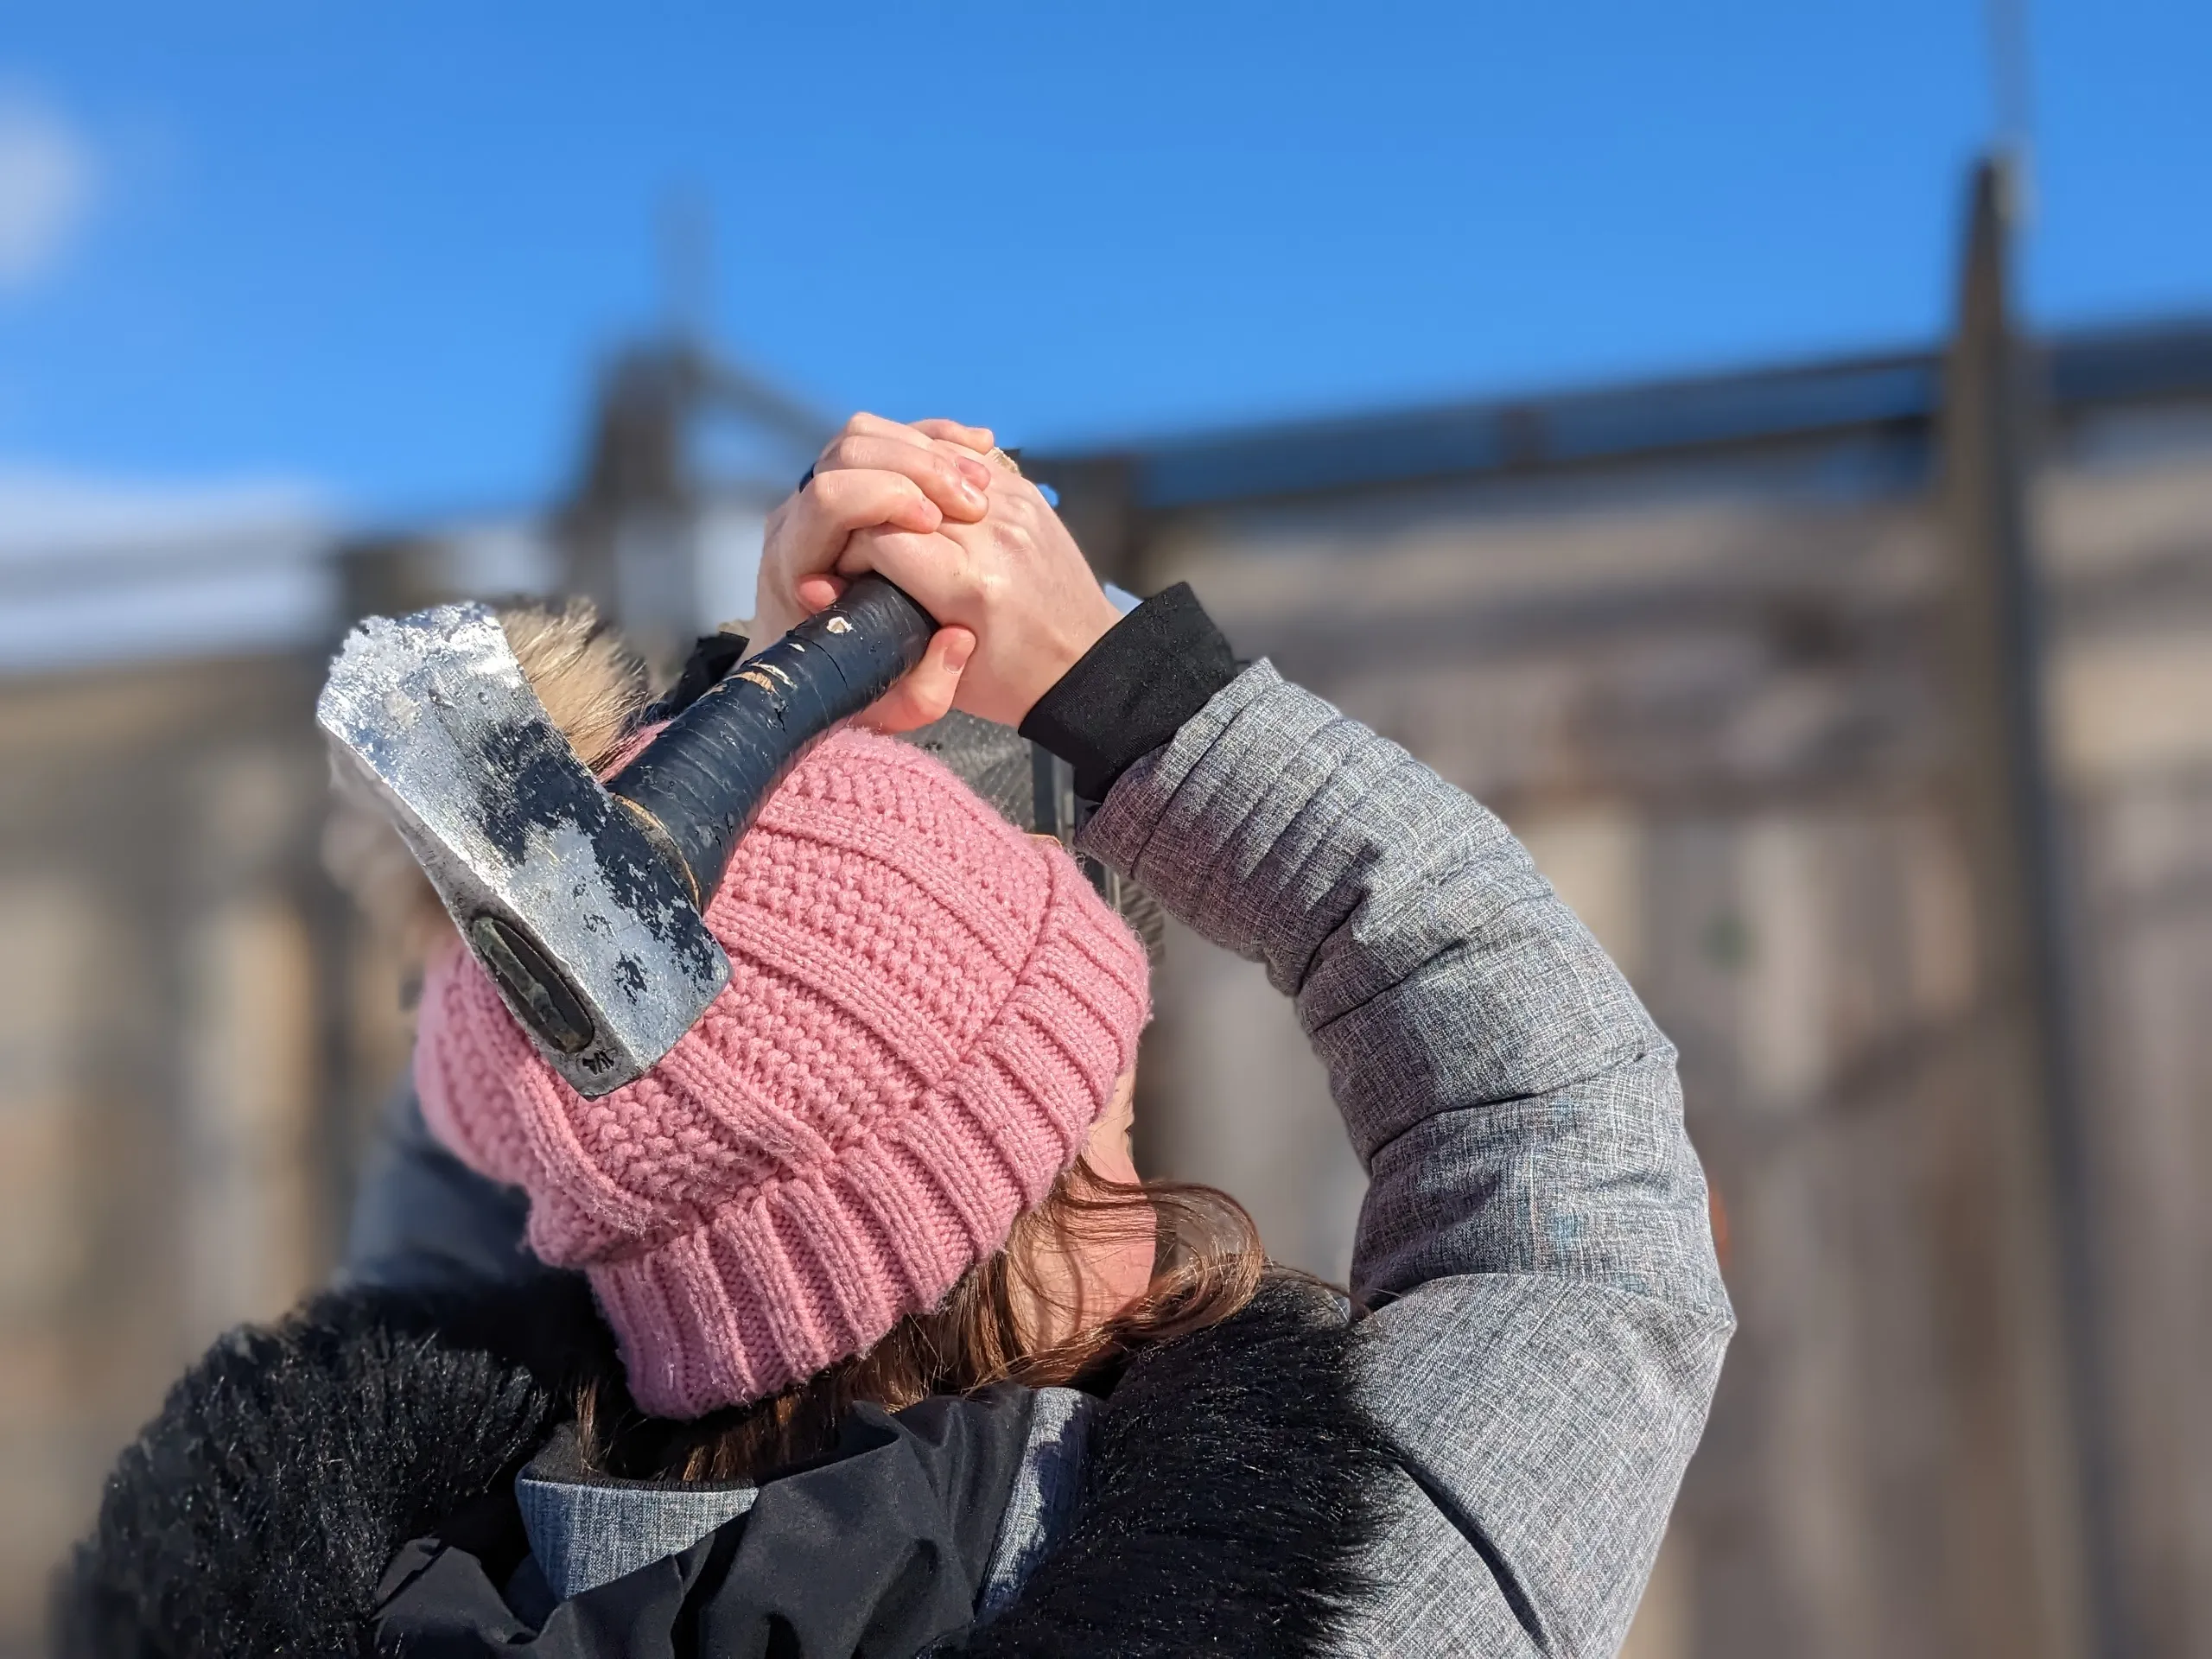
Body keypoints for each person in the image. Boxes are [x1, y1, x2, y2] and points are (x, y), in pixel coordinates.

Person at [61, 416, 1734, 1658]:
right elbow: (1563, 1163)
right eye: (1105, 1135)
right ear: (974, 1221)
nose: (1147, 1209)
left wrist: (745, 721)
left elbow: (537, 1151)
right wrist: (1123, 687)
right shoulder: (1344, 1596)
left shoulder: (399, 1594)